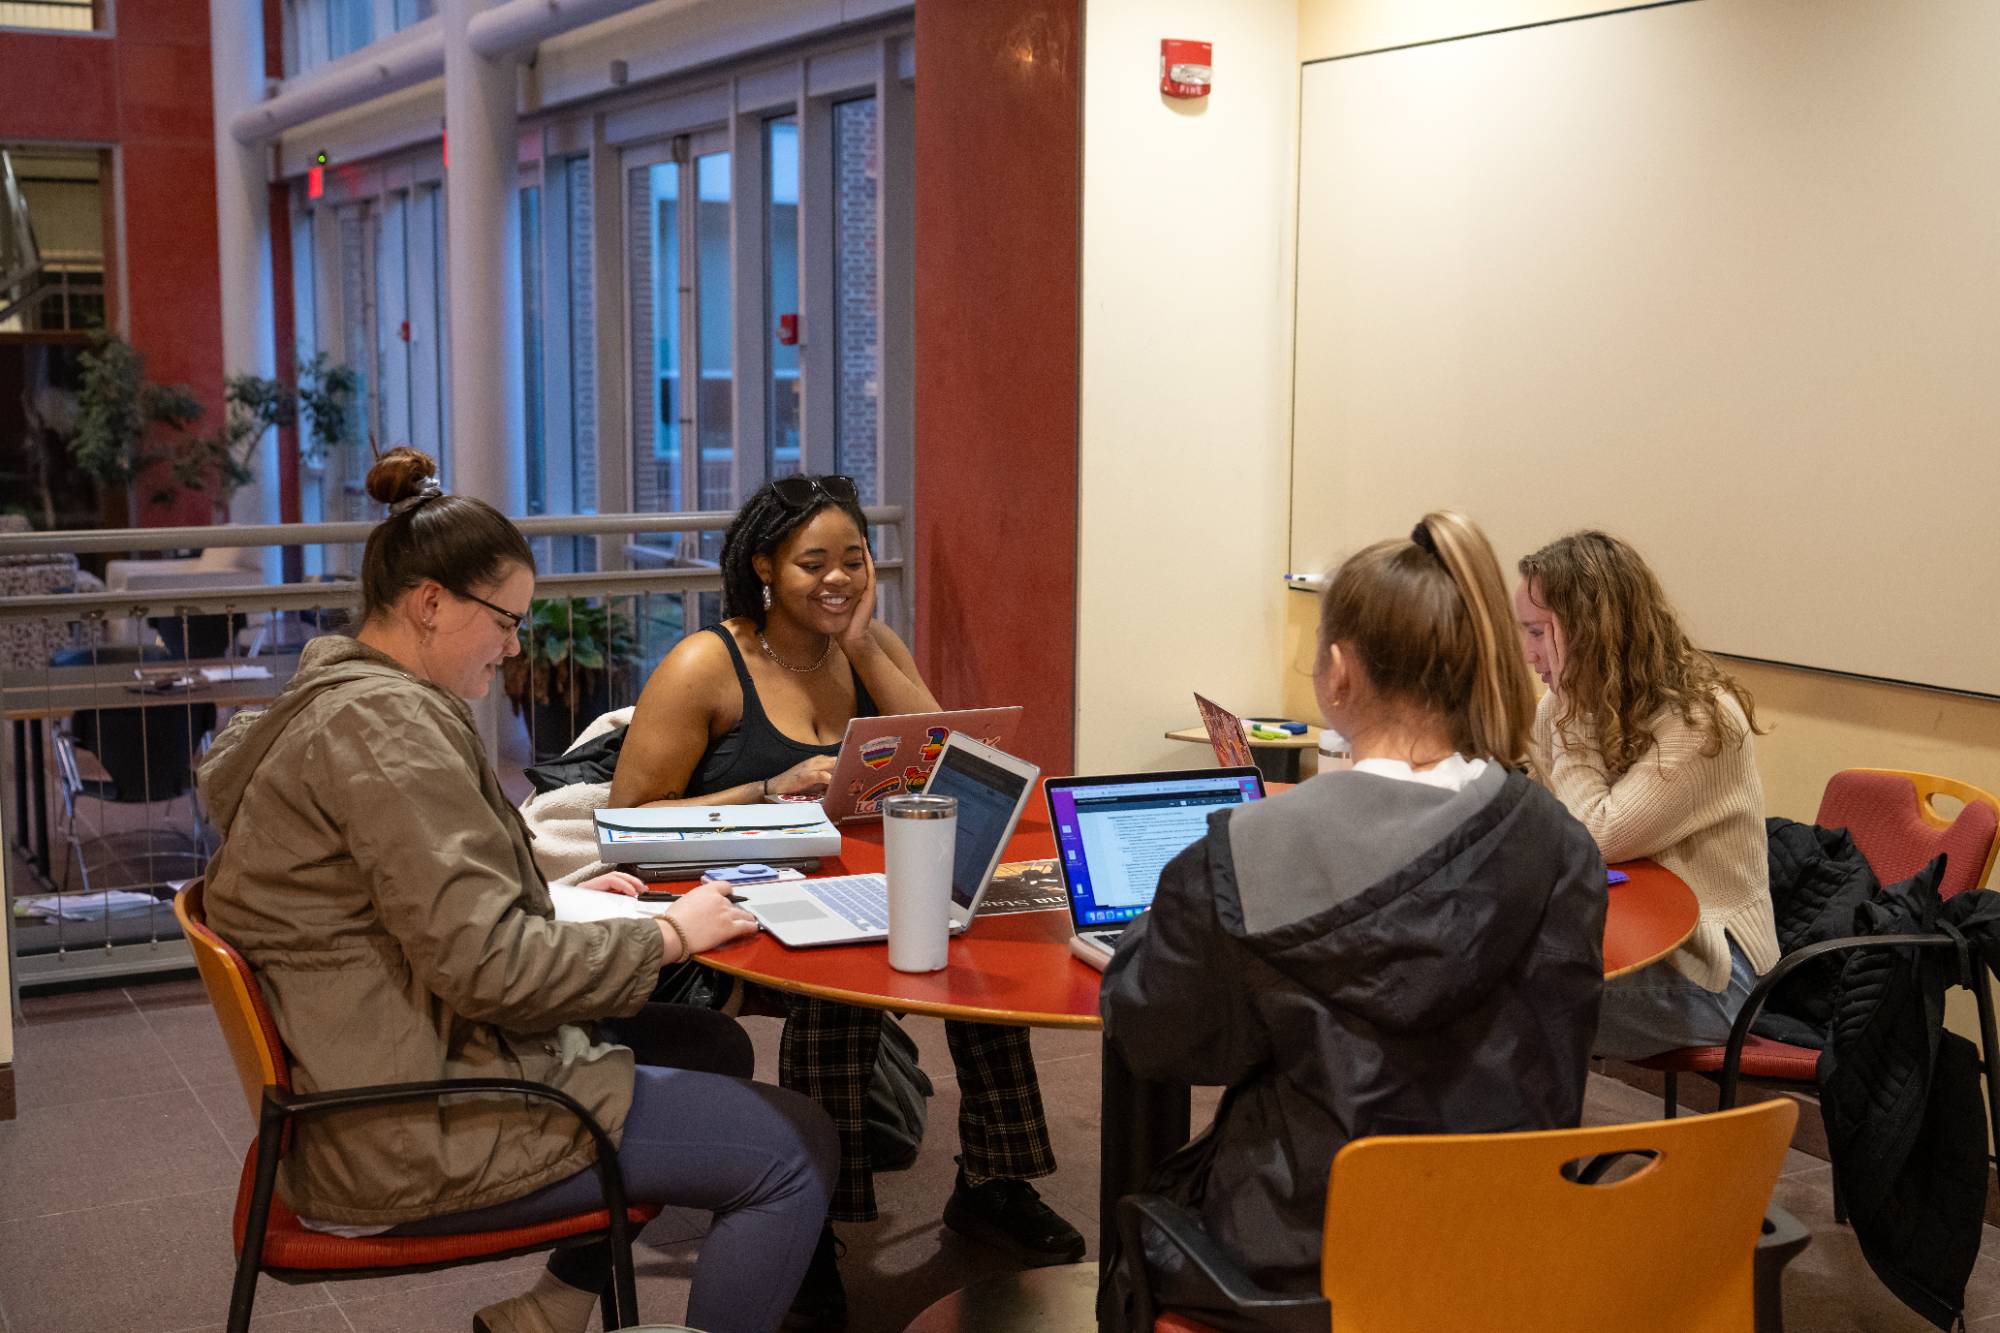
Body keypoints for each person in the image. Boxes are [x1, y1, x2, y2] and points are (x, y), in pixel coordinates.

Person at [196, 449, 837, 1333]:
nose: (514, 644)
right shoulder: (389, 731)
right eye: (504, 619)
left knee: (707, 1043)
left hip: (375, 1060)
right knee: (797, 1149)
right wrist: (669, 936)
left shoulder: (338, 701)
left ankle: (555, 1304)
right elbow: (492, 969)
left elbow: (412, 892)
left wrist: (563, 885)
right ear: (430, 603)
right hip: (417, 1119)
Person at [1100, 512, 1607, 1332]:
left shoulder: (1242, 857)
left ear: (1338, 672)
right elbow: (1557, 1054)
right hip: (1505, 1246)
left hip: (1303, 1259)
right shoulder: (1560, 845)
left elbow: (1159, 1038)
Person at [611, 474, 1085, 1323]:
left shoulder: (869, 646)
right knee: (842, 976)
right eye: (812, 563)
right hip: (732, 903)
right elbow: (631, 813)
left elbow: (962, 758)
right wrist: (770, 785)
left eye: (854, 561)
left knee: (977, 945)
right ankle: (815, 1224)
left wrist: (866, 648)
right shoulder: (706, 664)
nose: (838, 580)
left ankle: (992, 1181)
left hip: (859, 882)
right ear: (764, 565)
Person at [1515, 529, 1780, 1059]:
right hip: (1624, 934)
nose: (1529, 655)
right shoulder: (1570, 706)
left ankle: (1517, 1143)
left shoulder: (1701, 721)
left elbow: (1596, 836)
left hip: (1716, 975)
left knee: (1504, 1002)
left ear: (1593, 630)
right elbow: (1547, 831)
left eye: (1540, 632)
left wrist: (1572, 725)